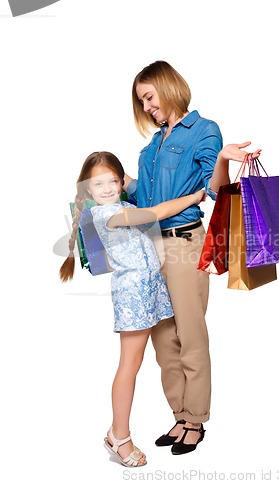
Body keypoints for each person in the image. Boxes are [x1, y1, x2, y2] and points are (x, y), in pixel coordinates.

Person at [124, 60, 261, 455]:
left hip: (184, 244)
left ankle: (196, 419)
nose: (147, 107)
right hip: (149, 247)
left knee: (190, 334)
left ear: (167, 87)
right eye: (142, 102)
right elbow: (147, 201)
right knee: (163, 340)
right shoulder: (152, 145)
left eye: (149, 97)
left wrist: (222, 161)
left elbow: (214, 191)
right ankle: (179, 414)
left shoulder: (204, 130)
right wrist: (113, 180)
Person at [59, 151, 206, 467]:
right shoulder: (107, 215)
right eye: (99, 184)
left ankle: (169, 421)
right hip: (134, 296)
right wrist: (194, 196)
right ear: (87, 190)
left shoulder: (123, 205)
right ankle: (119, 435)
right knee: (130, 364)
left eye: (113, 180)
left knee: (152, 355)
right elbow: (156, 212)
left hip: (149, 290)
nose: (108, 188)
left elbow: (142, 198)